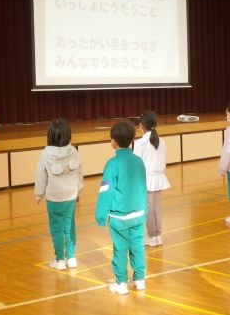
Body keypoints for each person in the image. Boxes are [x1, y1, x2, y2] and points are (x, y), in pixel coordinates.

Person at [95, 121, 147, 295]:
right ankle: (139, 280)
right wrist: (144, 210)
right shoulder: (139, 161)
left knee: (120, 249)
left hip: (119, 217)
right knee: (137, 247)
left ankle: (121, 283)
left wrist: (101, 215)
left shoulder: (112, 164)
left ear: (113, 142)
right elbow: (142, 187)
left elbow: (106, 191)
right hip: (138, 213)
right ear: (132, 140)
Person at [35, 118, 83, 271]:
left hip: (54, 197)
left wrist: (38, 193)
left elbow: (40, 174)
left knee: (57, 228)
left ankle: (60, 260)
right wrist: (78, 190)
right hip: (70, 195)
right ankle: (71, 258)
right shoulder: (74, 151)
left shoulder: (45, 153)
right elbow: (79, 172)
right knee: (69, 226)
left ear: (50, 135)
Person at [133, 111, 169, 247]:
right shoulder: (161, 141)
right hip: (158, 178)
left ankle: (153, 236)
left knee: (149, 208)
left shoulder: (140, 143)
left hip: (146, 180)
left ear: (141, 125)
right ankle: (157, 236)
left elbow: (136, 165)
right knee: (155, 207)